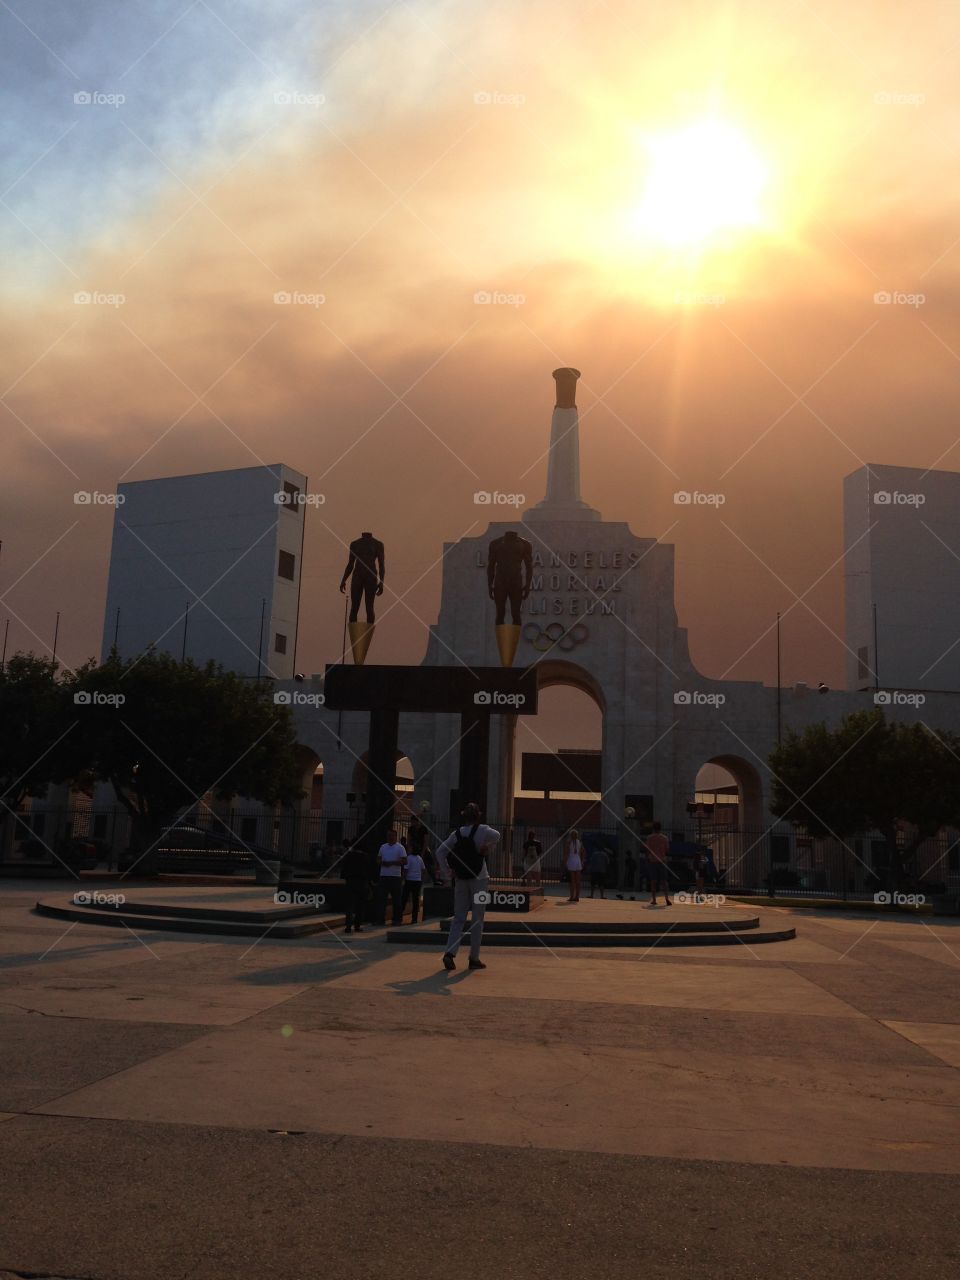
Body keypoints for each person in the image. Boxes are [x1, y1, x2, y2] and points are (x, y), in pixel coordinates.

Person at [435, 802, 500, 971]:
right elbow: (498, 835)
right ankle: (474, 957)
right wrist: (488, 847)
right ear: (478, 815)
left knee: (459, 917)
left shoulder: (456, 834)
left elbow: (440, 852)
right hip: (481, 879)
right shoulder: (484, 830)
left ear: (464, 817)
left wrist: (448, 871)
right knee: (478, 918)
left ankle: (450, 952)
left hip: (461, 879)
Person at [339, 531, 385, 624]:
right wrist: (343, 579)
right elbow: (350, 564)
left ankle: (367, 635)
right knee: (354, 607)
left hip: (370, 577)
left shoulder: (378, 544)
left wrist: (381, 582)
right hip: (358, 576)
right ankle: (354, 636)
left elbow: (381, 565)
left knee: (369, 607)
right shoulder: (355, 544)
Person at [375, 827, 407, 925]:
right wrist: (382, 863)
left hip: (395, 876)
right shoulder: (383, 847)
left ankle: (397, 919)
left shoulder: (400, 847)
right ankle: (380, 919)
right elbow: (378, 860)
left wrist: (392, 863)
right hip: (384, 876)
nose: (389, 837)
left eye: (391, 835)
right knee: (381, 899)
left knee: (396, 899)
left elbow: (405, 861)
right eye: (388, 835)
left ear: (395, 836)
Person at [341, 842, 371, 934]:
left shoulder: (349, 856)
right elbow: (369, 870)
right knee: (360, 905)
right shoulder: (365, 857)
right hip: (362, 883)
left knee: (349, 905)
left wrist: (346, 878)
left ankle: (348, 926)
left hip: (350, 882)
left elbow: (344, 868)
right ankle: (357, 926)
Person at [645, 821, 672, 906]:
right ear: (660, 828)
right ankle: (667, 898)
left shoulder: (649, 838)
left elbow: (647, 850)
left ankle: (654, 899)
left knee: (653, 881)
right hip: (662, 861)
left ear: (653, 828)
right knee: (664, 881)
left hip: (652, 861)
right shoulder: (665, 838)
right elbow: (667, 850)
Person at [401, 843, 427, 924]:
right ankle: (414, 918)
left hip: (409, 880)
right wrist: (421, 878)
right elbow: (423, 869)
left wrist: (403, 878)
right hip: (417, 881)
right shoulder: (420, 858)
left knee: (404, 899)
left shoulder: (408, 858)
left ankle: (398, 916)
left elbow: (406, 870)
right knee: (416, 900)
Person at [564, 830, 585, 902]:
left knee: (572, 881)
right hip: (577, 860)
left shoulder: (569, 842)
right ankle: (577, 897)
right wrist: (582, 861)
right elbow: (583, 852)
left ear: (571, 835)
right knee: (577, 881)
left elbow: (566, 853)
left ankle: (572, 896)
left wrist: (565, 862)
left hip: (571, 860)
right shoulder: (580, 842)